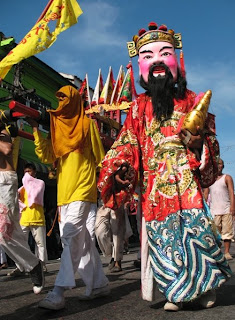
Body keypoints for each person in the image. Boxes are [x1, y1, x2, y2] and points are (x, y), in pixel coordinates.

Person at [98, 22, 232, 312]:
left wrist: (199, 144)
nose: (156, 60)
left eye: (164, 52)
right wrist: (121, 166)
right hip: (155, 186)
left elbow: (212, 145)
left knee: (196, 231)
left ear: (177, 59)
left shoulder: (193, 100)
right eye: (147, 55)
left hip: (186, 179)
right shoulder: (137, 108)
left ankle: (206, 287)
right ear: (140, 65)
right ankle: (178, 291)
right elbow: (127, 142)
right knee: (164, 237)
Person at [27, 85, 109, 310]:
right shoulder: (58, 129)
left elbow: (100, 158)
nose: (60, 102)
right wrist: (35, 130)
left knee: (71, 238)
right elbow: (46, 155)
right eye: (58, 98)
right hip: (64, 194)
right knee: (79, 241)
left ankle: (58, 292)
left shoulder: (87, 125)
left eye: (64, 98)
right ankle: (99, 284)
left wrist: (106, 186)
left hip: (83, 190)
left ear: (74, 101)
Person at [0, 123, 44, 294]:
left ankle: (34, 265)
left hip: (4, 182)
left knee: (4, 234)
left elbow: (7, 149)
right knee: (15, 232)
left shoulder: (2, 130)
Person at [204, 158, 235, 260]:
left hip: (226, 209)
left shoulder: (227, 178)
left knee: (227, 232)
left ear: (223, 166)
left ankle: (226, 252)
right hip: (214, 211)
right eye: (217, 164)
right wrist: (203, 207)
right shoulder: (210, 180)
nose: (219, 166)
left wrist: (233, 207)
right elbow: (205, 193)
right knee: (215, 232)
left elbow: (231, 192)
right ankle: (218, 251)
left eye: (220, 164)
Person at [95, 204, 126, 272]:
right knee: (100, 232)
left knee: (117, 231)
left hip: (117, 201)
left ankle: (117, 260)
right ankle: (113, 254)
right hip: (103, 203)